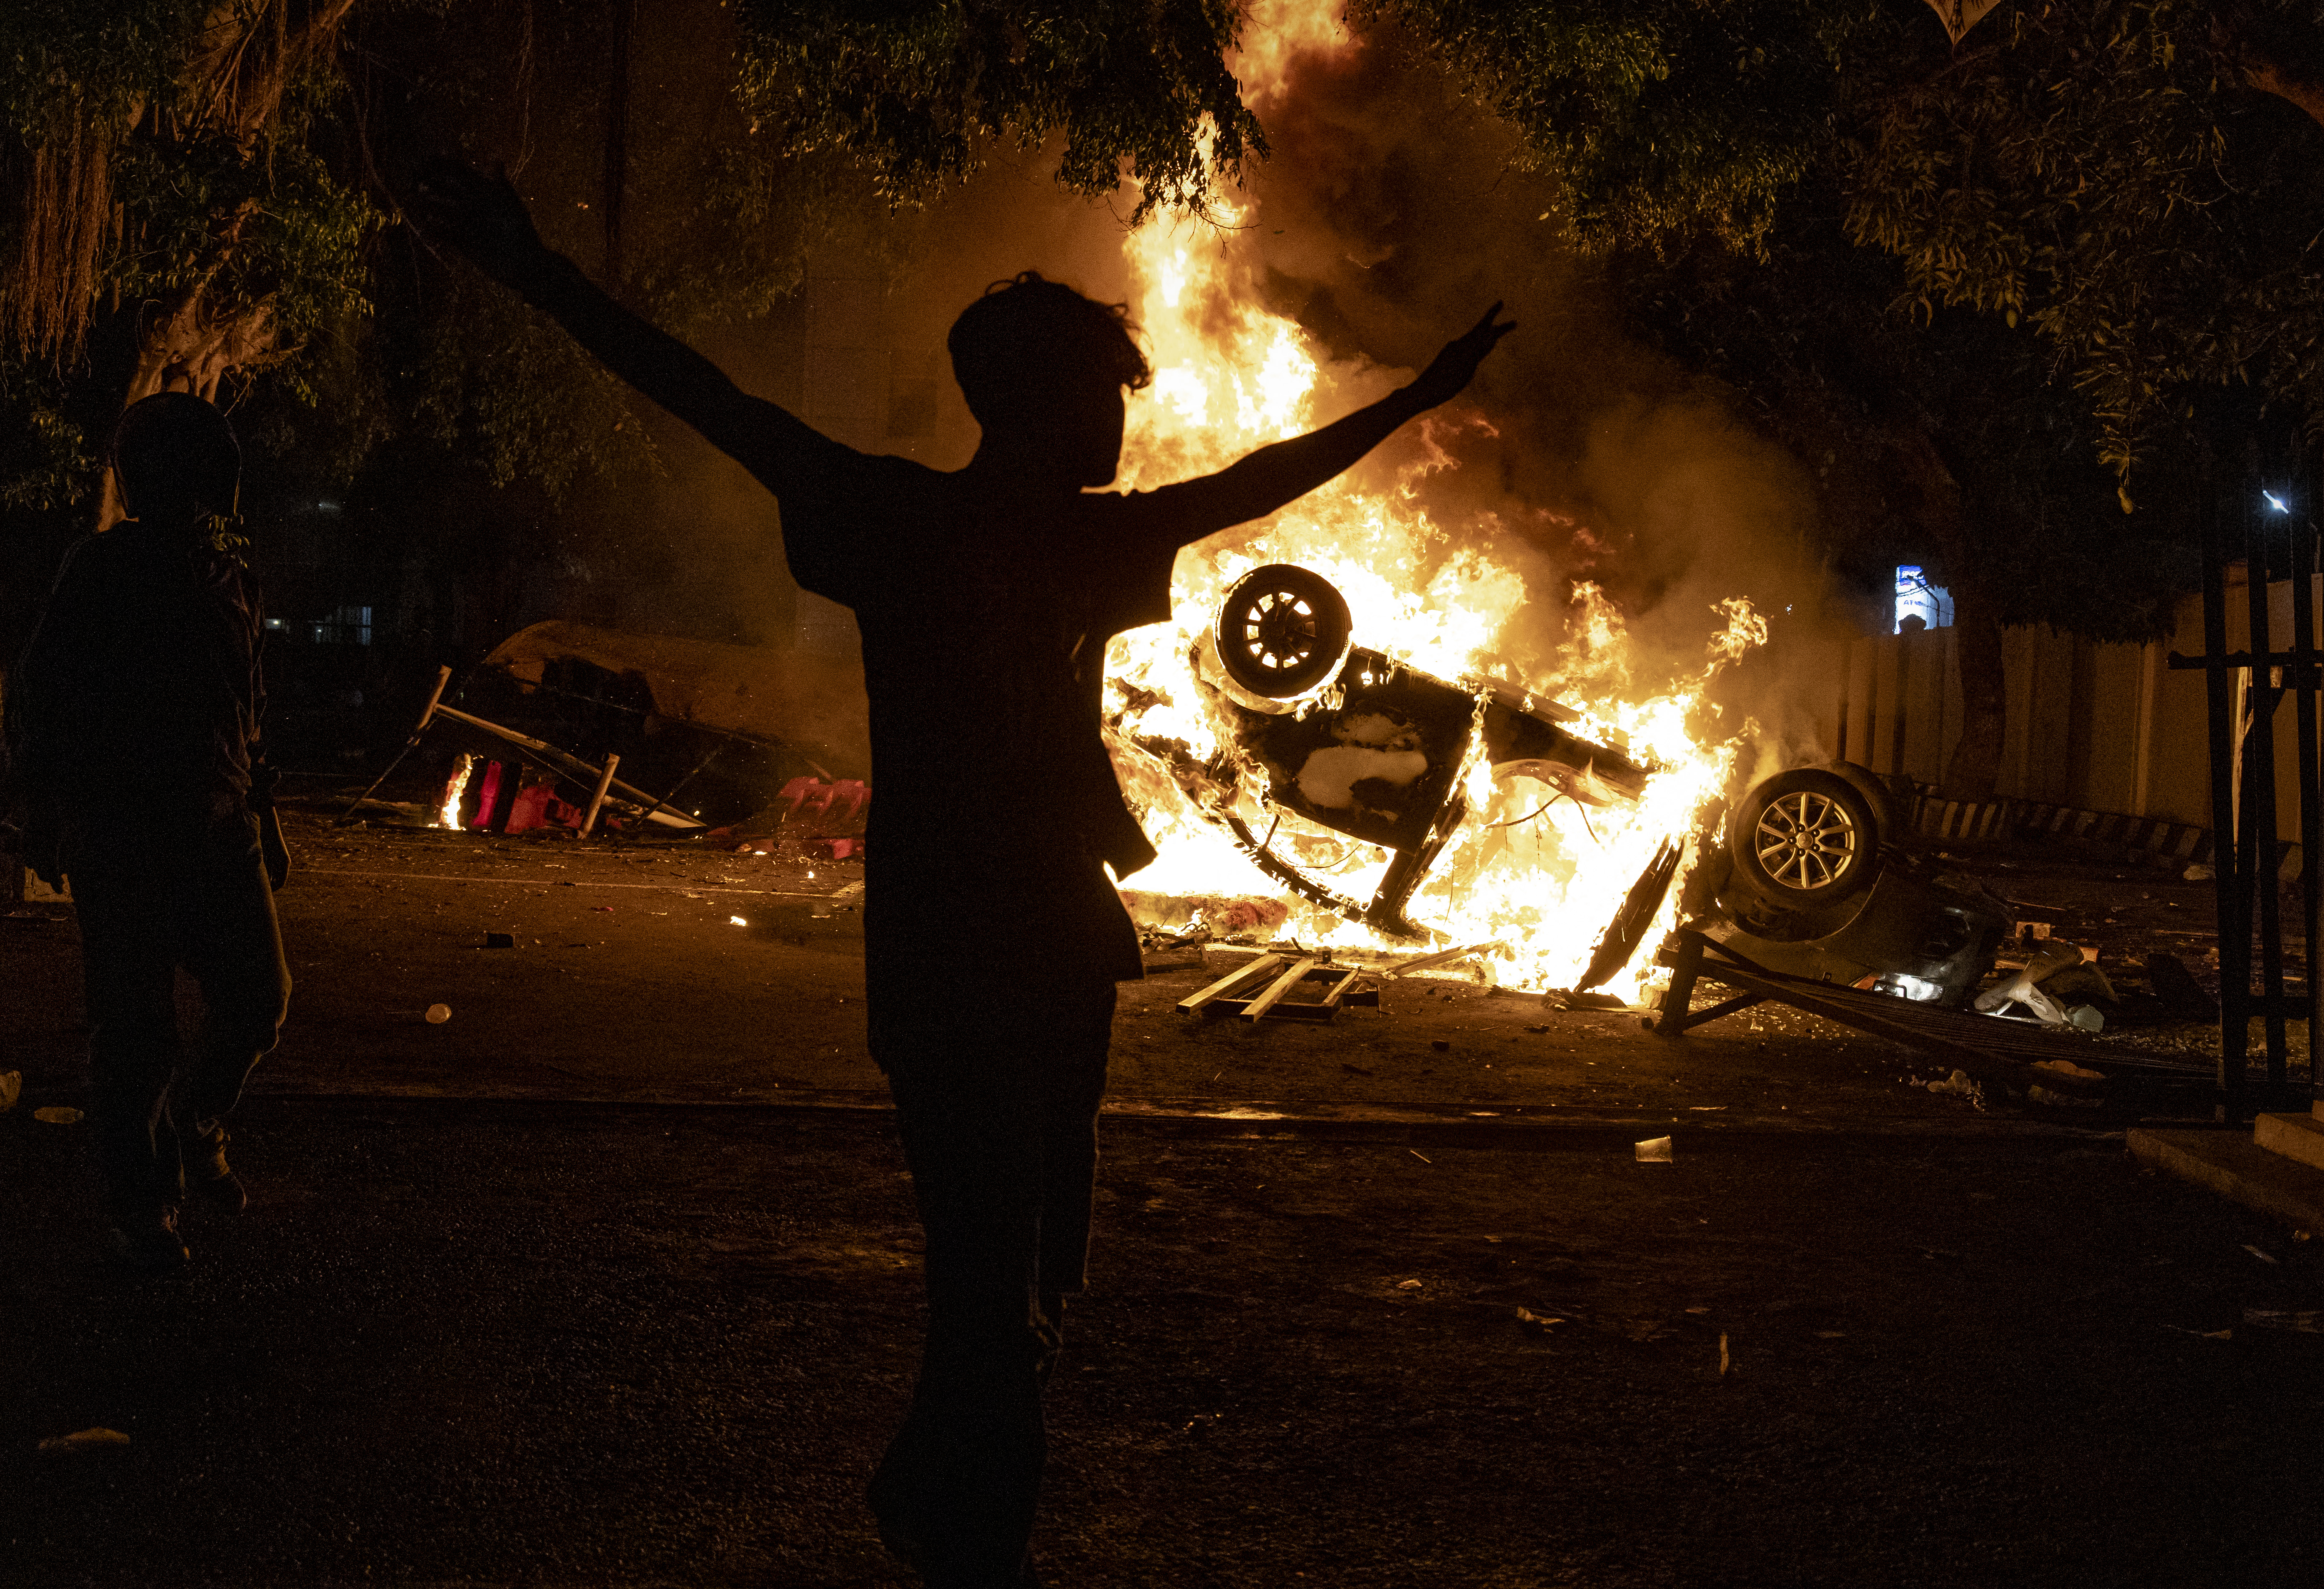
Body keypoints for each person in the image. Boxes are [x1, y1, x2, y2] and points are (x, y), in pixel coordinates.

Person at [416, 160, 1511, 1588]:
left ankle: (935, 1495)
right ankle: (973, 1538)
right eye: (1106, 389)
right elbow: (709, 395)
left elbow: (710, 401)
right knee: (1004, 1274)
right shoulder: (986, 527)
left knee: (1027, 1268)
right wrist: (1417, 394)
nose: (1124, 413)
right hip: (989, 940)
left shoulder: (919, 519)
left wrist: (537, 269)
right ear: (1046, 402)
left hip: (1021, 934)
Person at [5, 391, 291, 1273]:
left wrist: (265, 820)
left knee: (258, 995)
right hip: (122, 831)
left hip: (217, 824)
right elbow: (41, 693)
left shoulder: (232, 580)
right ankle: (144, 1211)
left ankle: (196, 1121)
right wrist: (41, 812)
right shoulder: (103, 568)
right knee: (134, 1029)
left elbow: (247, 718)